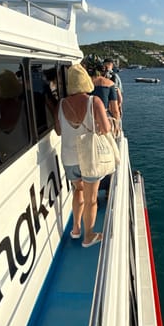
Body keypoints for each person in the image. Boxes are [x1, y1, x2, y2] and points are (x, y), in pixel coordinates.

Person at [54, 63, 111, 247]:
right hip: (89, 157)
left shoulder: (61, 104)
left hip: (68, 158)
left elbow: (58, 131)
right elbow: (106, 128)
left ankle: (76, 229)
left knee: (78, 191)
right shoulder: (94, 102)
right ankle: (89, 235)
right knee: (91, 199)